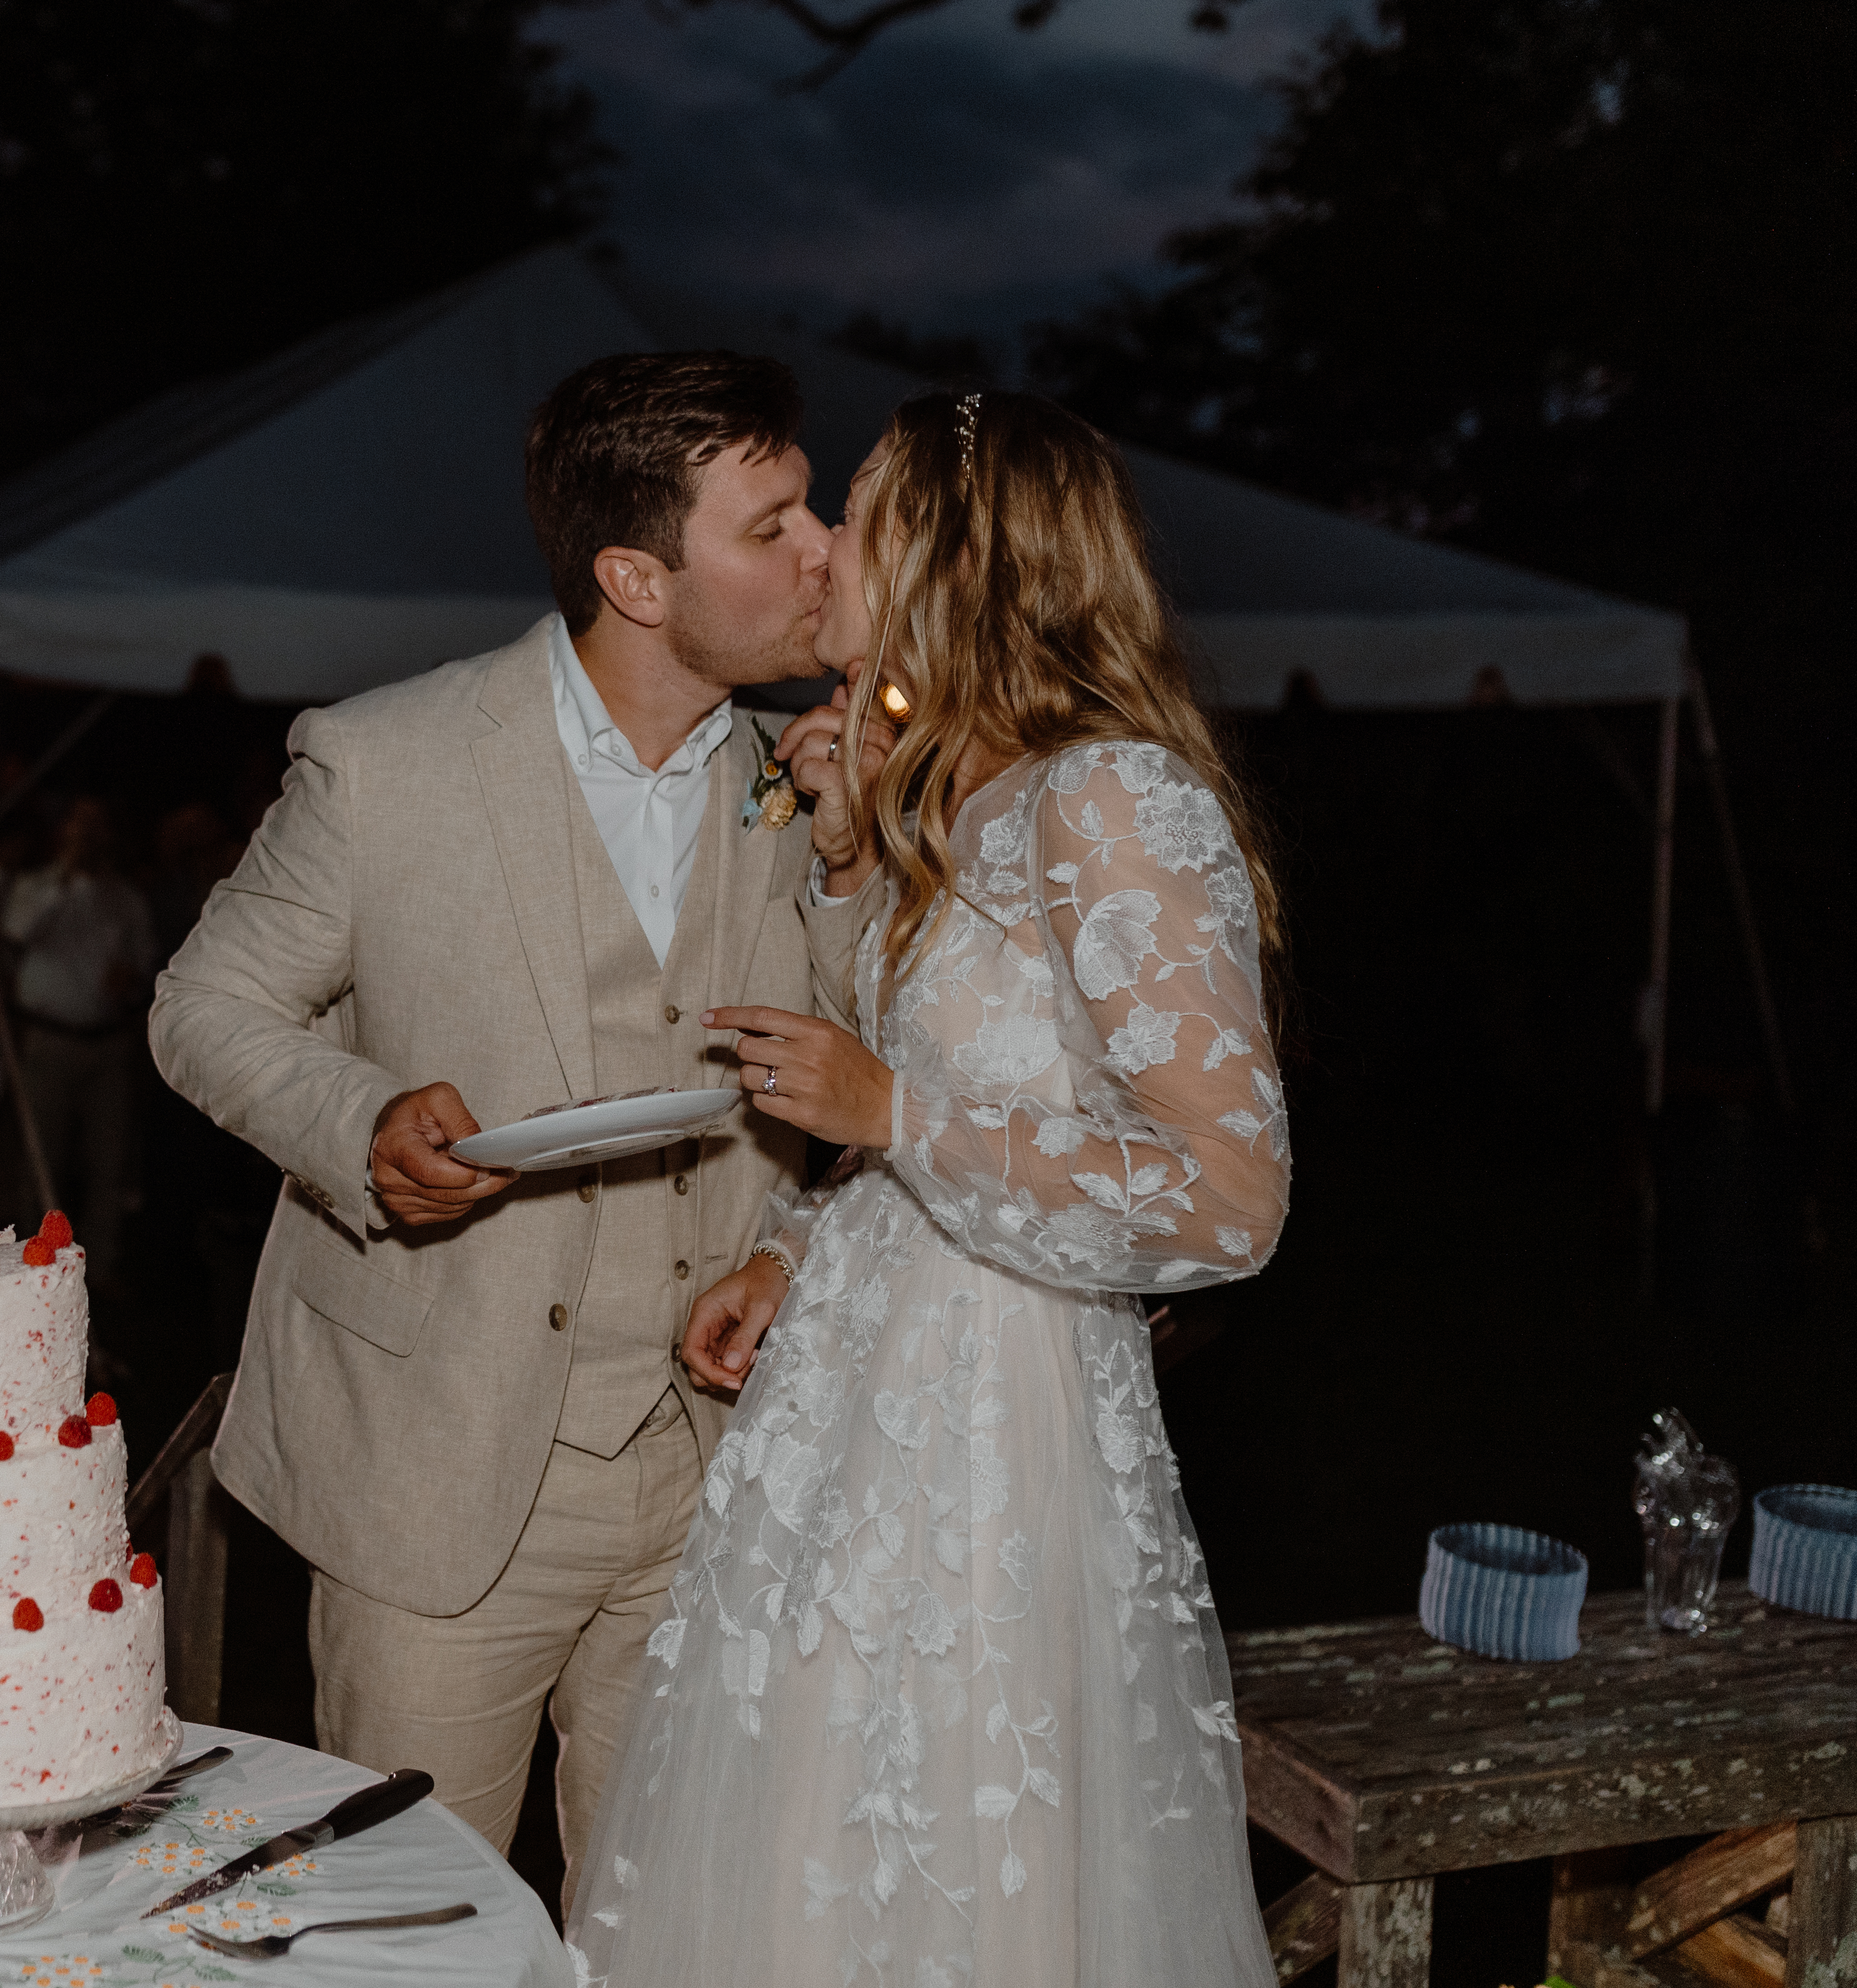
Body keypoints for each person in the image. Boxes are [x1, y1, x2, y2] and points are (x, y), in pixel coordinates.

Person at [565, 391, 1291, 1986]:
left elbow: (1229, 1197)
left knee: (970, 1867)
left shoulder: (1117, 797)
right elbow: (952, 1112)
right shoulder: (960, 790)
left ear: (962, 558)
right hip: (846, 1422)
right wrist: (799, 1246)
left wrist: (895, 1107)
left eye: (866, 517)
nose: (826, 549)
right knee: (809, 1853)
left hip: (994, 1448)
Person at [149, 351, 868, 1894]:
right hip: (440, 1469)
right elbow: (201, 1008)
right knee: (414, 1920)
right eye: (777, 521)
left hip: (710, 1467)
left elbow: (868, 1088)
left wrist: (797, 1239)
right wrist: (359, 1123)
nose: (828, 548)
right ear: (639, 576)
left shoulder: (808, 778)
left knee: (668, 1911)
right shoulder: (387, 760)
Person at [3, 796, 155, 1286]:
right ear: (63, 830)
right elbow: (19, 932)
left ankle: (100, 1272)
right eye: (79, 823)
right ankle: (35, 1270)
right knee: (44, 1160)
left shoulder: (126, 898)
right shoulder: (34, 887)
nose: (88, 834)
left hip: (107, 1044)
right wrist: (66, 878)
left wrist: (129, 981)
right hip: (50, 1041)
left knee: (107, 1164)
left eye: (97, 825)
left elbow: (146, 964)